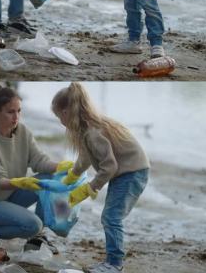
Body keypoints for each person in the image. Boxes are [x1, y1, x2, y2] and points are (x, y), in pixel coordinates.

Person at [51, 83, 150, 273]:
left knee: (111, 217)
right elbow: (86, 157)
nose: (60, 121)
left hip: (132, 172)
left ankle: (114, 264)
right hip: (127, 171)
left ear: (66, 112)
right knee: (110, 217)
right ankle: (111, 262)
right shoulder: (86, 128)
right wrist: (72, 177)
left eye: (58, 116)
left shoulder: (93, 132)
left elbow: (109, 166)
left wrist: (89, 188)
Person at [0, 85, 74, 255]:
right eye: (10, 112)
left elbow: (39, 161)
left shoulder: (22, 132)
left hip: (10, 196)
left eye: (19, 111)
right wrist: (22, 182)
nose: (16, 117)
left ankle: (36, 239)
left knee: (49, 177)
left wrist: (63, 166)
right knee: (32, 224)